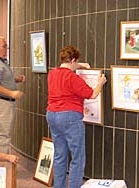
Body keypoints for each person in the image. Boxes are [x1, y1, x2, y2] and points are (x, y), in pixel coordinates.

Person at [46, 45, 107, 188]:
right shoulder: (72, 77)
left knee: (60, 156)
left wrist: (80, 64)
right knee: (77, 158)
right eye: (76, 62)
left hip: (52, 115)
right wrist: (101, 82)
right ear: (73, 60)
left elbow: (68, 65)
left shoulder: (52, 74)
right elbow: (92, 94)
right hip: (70, 117)